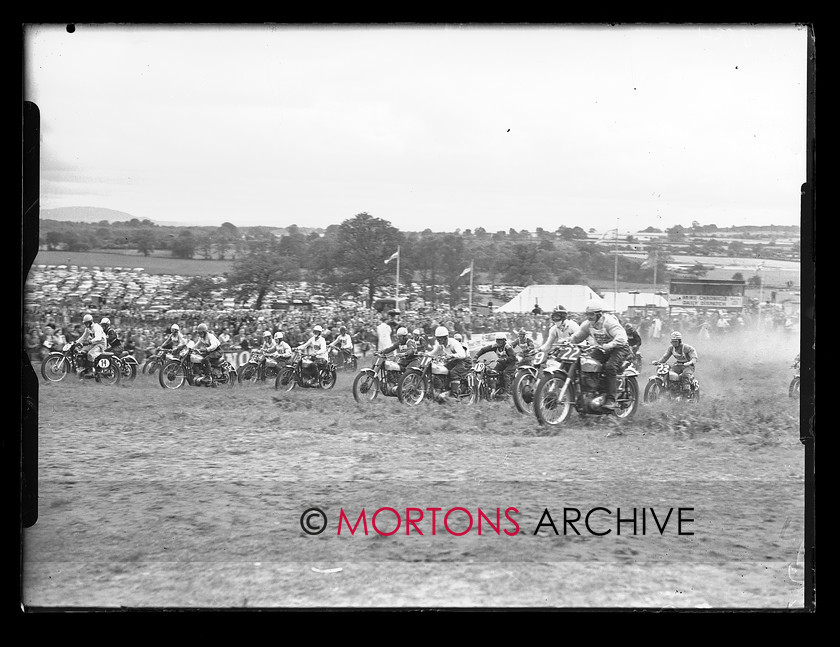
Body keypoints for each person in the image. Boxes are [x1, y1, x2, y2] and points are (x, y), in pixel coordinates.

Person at [569, 302, 631, 410]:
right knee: (587, 363)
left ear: (599, 314)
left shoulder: (609, 322)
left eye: (591, 314)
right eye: (587, 314)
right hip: (602, 348)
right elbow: (578, 337)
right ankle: (591, 392)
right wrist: (568, 341)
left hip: (619, 348)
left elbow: (622, 337)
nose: (589, 317)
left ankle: (611, 400)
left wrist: (611, 344)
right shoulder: (587, 325)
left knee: (610, 367)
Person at [426, 325, 468, 400]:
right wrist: (425, 355)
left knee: (453, 372)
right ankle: (442, 389)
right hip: (453, 361)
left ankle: (454, 394)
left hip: (464, 361)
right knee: (442, 369)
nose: (438, 340)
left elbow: (462, 354)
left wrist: (452, 355)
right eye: (437, 338)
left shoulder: (454, 343)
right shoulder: (440, 344)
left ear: (445, 337)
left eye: (440, 338)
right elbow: (434, 352)